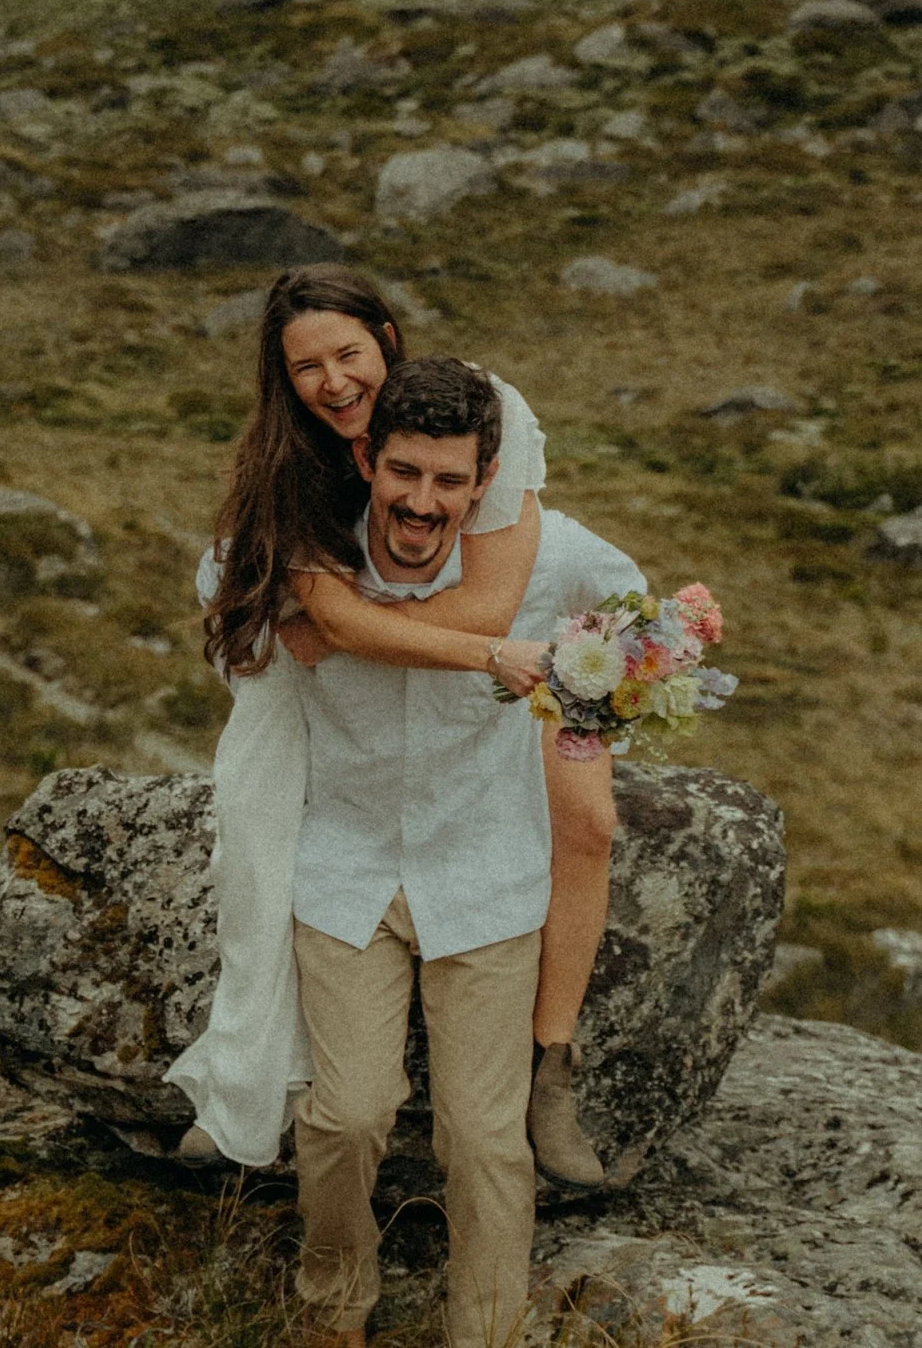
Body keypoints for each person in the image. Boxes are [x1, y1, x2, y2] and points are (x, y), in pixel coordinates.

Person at [171, 263, 617, 1184]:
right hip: (391, 648)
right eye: (305, 367)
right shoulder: (290, 465)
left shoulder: (482, 410)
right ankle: (246, 1076)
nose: (333, 382)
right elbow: (310, 625)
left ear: (387, 338)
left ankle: (552, 1065)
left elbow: (489, 604)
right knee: (262, 839)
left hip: (505, 619)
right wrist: (331, 627)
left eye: (348, 353)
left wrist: (354, 631)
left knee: (587, 821)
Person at [276, 353, 643, 1348]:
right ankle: (334, 1307)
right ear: (366, 458)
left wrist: (582, 723)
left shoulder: (547, 554)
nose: (421, 502)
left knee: (485, 1142)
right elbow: (227, 597)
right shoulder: (314, 553)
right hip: (344, 869)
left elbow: (642, 619)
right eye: (402, 474)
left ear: (484, 481)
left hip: (484, 875)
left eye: (448, 481)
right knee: (346, 1113)